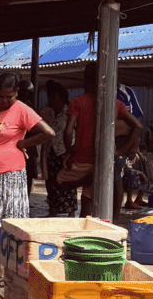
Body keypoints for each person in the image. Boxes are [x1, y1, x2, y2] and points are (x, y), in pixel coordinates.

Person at [0, 72, 54, 280]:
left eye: (9, 96)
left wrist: (22, 144)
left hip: (10, 174)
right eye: (0, 96)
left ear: (17, 93)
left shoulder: (22, 110)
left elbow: (48, 133)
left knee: (8, 220)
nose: (5, 101)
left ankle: (13, 267)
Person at [57, 63, 141, 220]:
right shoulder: (115, 104)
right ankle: (108, 223)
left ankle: (89, 181)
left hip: (82, 159)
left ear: (85, 81)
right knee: (88, 199)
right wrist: (120, 152)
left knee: (60, 182)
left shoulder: (78, 102)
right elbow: (138, 126)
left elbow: (68, 131)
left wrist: (69, 152)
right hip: (103, 160)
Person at [39, 81, 77, 217]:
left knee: (67, 179)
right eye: (50, 97)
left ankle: (71, 210)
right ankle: (53, 209)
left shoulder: (69, 112)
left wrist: (73, 150)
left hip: (65, 151)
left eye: (54, 97)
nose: (51, 100)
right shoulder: (46, 112)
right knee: (51, 181)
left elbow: (75, 130)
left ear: (61, 97)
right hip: (50, 151)